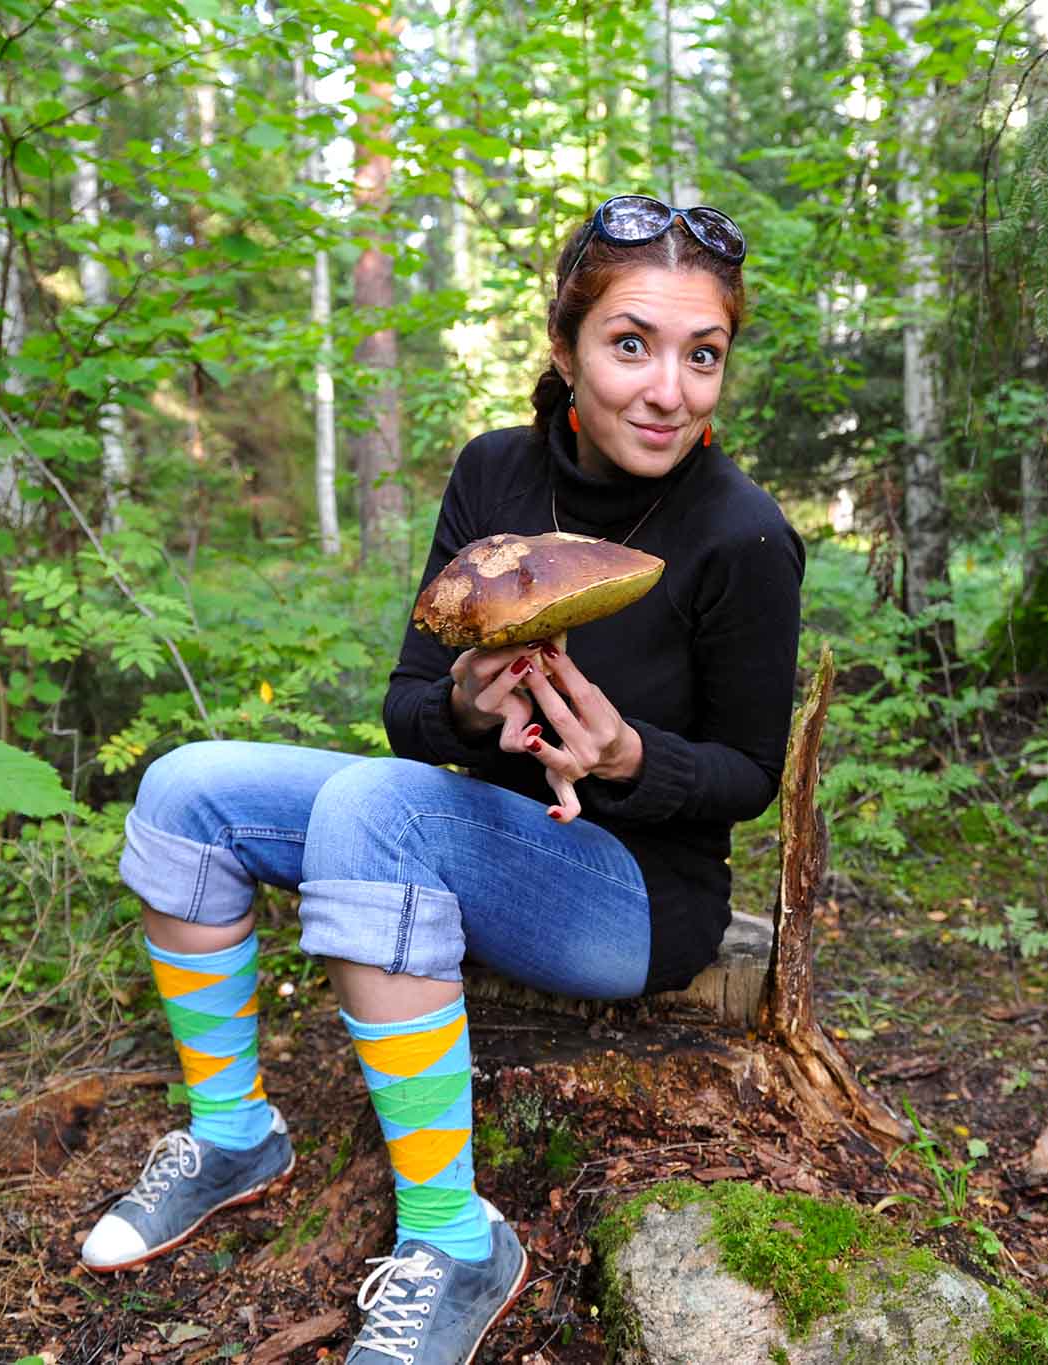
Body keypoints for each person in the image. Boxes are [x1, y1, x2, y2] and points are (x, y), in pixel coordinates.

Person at [80, 194, 804, 1365]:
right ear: (564, 346)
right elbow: (409, 705)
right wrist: (467, 708)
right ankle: (233, 1132)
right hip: (459, 825)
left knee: (377, 810)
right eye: (630, 345)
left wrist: (626, 756)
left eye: (702, 354)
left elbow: (748, 775)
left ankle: (454, 1241)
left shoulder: (742, 533)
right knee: (186, 787)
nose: (669, 390)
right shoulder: (494, 475)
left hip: (633, 896)